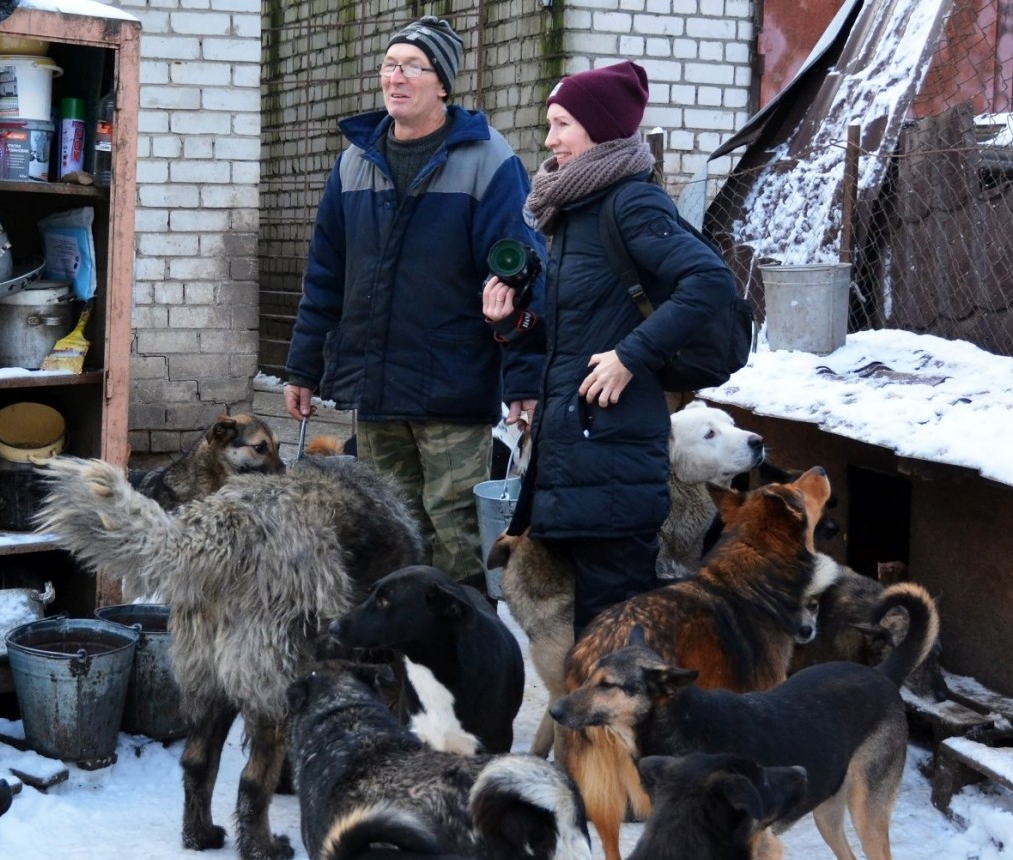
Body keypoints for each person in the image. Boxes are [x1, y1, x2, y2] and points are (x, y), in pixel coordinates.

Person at [283, 16, 545, 591]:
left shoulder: (488, 161)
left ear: (443, 83)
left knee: (455, 532)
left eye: (412, 67)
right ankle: (396, 662)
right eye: (389, 65)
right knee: (387, 528)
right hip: (377, 385)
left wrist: (523, 376)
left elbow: (521, 278)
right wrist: (303, 366)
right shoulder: (355, 161)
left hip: (450, 382)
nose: (395, 77)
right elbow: (325, 275)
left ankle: (464, 658)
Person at [484, 61, 735, 634]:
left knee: (614, 655)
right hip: (576, 457)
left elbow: (711, 282)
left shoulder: (630, 203)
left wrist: (631, 356)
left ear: (598, 128)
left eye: (562, 124)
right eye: (549, 125)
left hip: (614, 460)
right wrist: (514, 323)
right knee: (588, 651)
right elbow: (573, 338)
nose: (549, 140)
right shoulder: (574, 212)